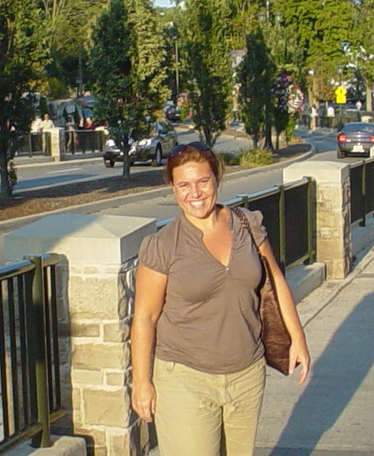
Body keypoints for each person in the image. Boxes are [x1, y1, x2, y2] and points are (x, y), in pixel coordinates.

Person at [131, 142, 310, 456]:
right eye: (183, 185)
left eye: (203, 181)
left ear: (217, 179)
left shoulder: (246, 225)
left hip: (247, 374)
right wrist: (142, 381)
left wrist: (298, 338)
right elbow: (144, 318)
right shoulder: (162, 246)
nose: (195, 193)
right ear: (172, 188)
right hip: (185, 378)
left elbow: (276, 280)